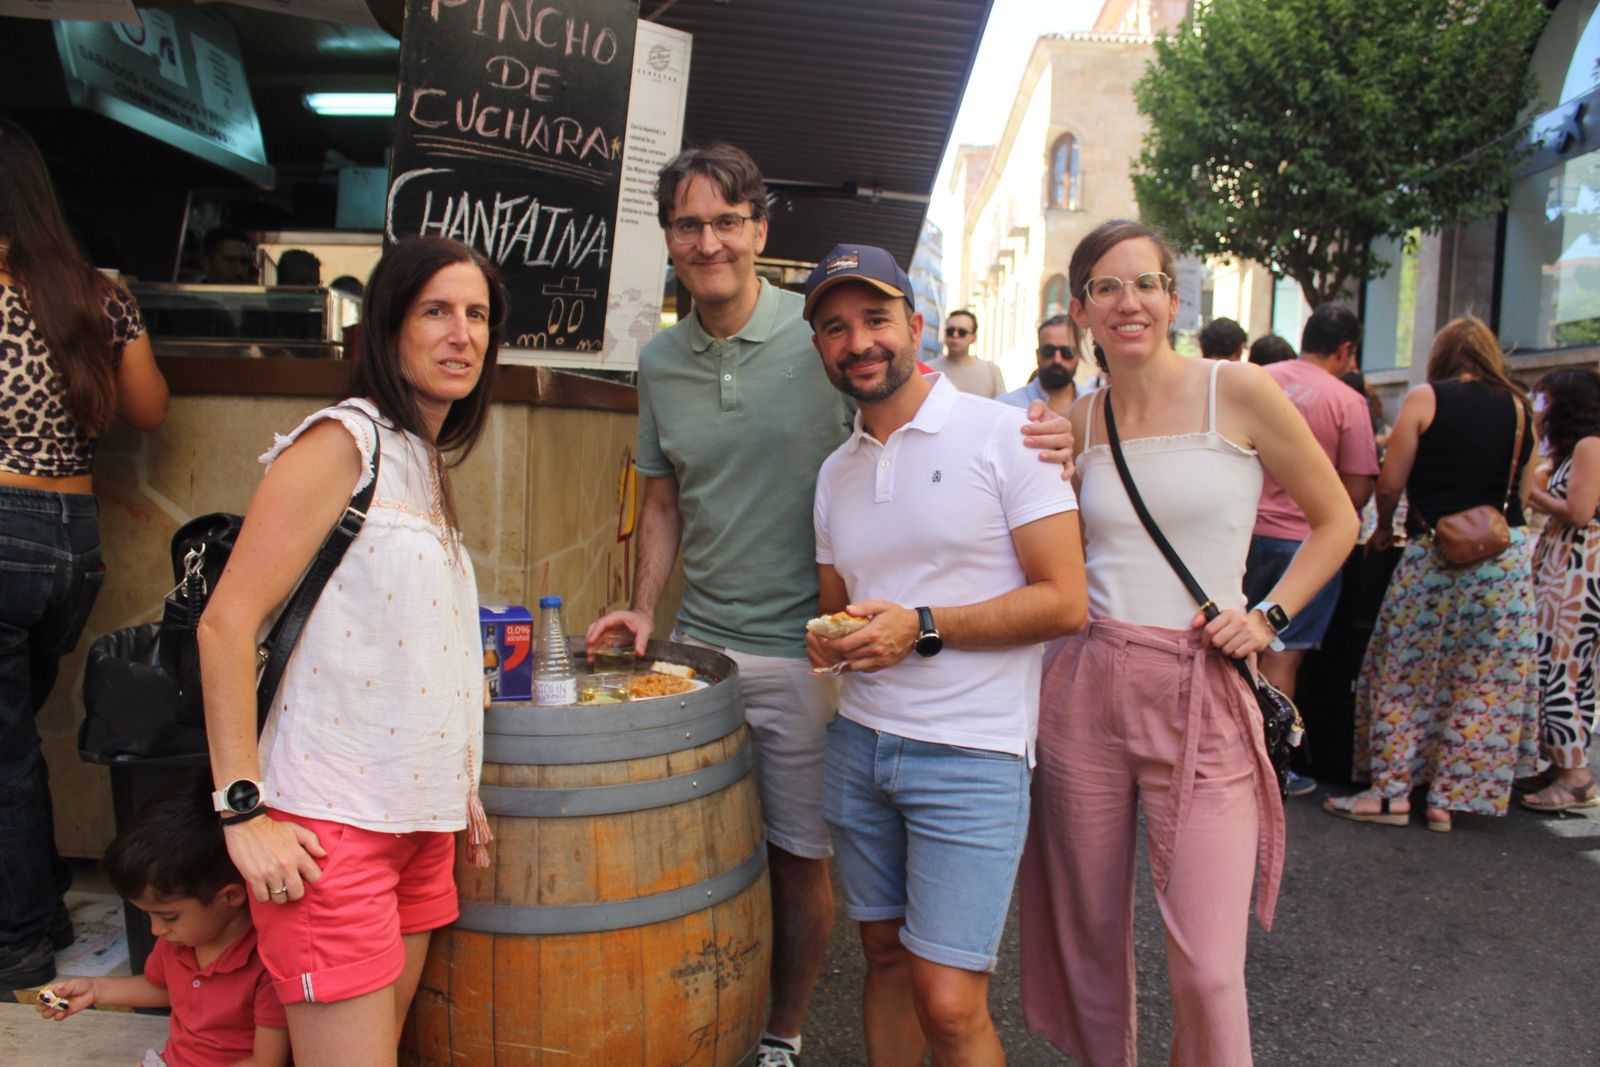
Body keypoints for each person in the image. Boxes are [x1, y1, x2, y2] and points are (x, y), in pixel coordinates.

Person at [585, 142, 1073, 1067]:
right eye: (688, 224)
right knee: (708, 850)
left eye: (728, 221)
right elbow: (660, 498)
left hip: (824, 668)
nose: (709, 241)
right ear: (669, 241)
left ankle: (783, 1031)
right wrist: (646, 609)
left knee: (807, 867)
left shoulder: (837, 352)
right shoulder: (660, 362)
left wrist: (1053, 433)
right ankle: (712, 1021)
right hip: (713, 650)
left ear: (759, 229)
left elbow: (944, 445)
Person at [1019, 219, 1356, 1066]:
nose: (1128, 301)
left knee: (1208, 967)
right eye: (1106, 286)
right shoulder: (1077, 420)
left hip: (1202, 683)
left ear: (1174, 296)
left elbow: (1337, 520)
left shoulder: (1234, 390)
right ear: (1081, 308)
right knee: (1088, 933)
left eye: (1145, 283)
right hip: (1086, 684)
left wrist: (1270, 616)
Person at [196, 236, 502, 1066]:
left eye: (476, 314)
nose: (461, 334)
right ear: (388, 327)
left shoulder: (421, 456)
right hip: (331, 826)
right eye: (435, 310)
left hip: (415, 823)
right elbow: (225, 625)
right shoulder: (343, 441)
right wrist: (243, 809)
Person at [803, 244, 1086, 1067]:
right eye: (835, 327)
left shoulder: (1011, 435)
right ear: (819, 346)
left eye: (876, 319)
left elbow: (1065, 600)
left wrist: (920, 625)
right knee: (885, 959)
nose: (858, 341)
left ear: (918, 326)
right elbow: (836, 607)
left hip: (974, 754)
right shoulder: (834, 472)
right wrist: (835, 640)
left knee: (950, 1001)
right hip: (861, 747)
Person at [0, 116, 168, 991]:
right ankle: (36, 896)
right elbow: (147, 409)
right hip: (70, 541)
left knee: (3, 747)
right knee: (10, 734)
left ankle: (21, 936)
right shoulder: (94, 292)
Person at [1327, 316, 1538, 832]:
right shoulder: (1520, 408)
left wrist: (1381, 531)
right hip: (1503, 568)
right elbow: (1525, 498)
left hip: (1433, 557)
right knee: (1481, 683)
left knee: (1404, 675)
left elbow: (1391, 481)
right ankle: (1446, 799)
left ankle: (1392, 793)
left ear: (1442, 357)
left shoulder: (1426, 398)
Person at [36, 776, 289, 1067]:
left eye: (168, 916)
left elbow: (266, 1063)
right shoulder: (181, 939)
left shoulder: (268, 965)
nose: (156, 930)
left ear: (230, 896)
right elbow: (164, 988)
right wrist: (95, 989)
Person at [1243, 304, 1377, 797]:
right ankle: (1265, 767)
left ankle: (1215, 756)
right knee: (1282, 658)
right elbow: (1356, 491)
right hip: (1305, 544)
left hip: (1239, 537)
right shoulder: (1345, 400)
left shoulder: (1253, 379)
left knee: (1225, 651)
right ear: (1345, 351)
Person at [1521, 367, 1600, 813]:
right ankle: (1566, 761)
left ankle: (1575, 776)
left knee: (1559, 667)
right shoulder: (1577, 448)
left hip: (1577, 568)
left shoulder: (1590, 446)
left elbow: (1579, 510)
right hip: (1569, 563)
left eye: (1545, 400)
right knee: (1571, 671)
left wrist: (1533, 494)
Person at [998, 314, 1078, 414]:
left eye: (1066, 352)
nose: (1057, 360)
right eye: (1049, 351)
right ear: (1038, 355)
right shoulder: (1006, 406)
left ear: (1078, 356)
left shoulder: (1094, 408)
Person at [925, 309, 1006, 398]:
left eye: (962, 332)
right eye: (950, 331)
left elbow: (1003, 407)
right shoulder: (928, 369)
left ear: (973, 338)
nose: (955, 335)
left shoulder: (991, 371)